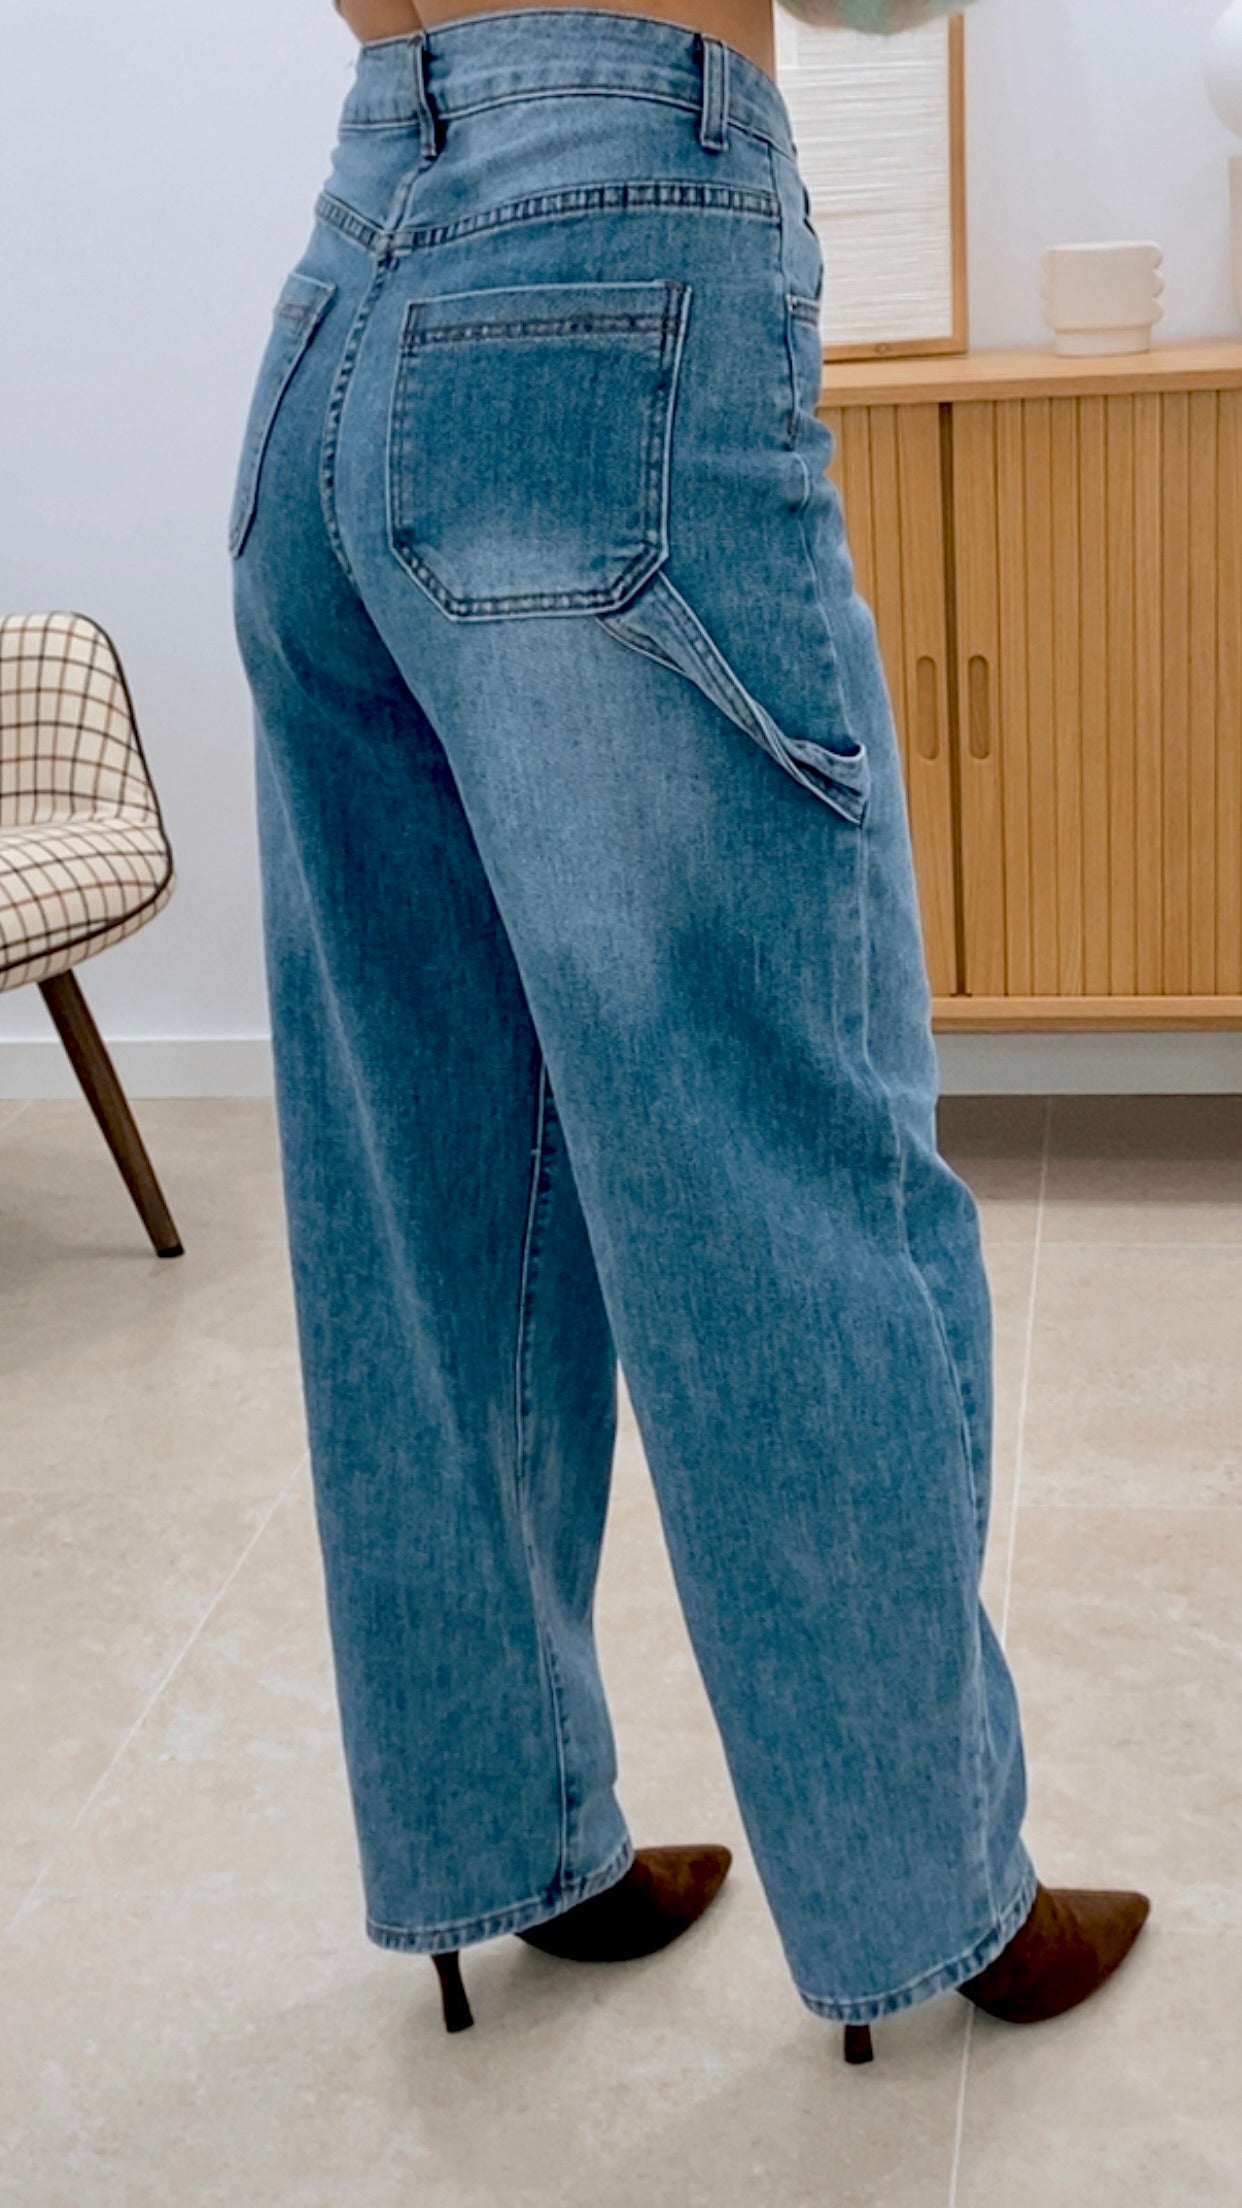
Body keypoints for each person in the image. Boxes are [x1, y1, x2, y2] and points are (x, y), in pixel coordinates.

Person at [228, 0, 1150, 2066]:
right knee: (776, 1167)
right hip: (606, 280)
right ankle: (926, 1892)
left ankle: (506, 1840)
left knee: (427, 1182)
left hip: (333, 313)